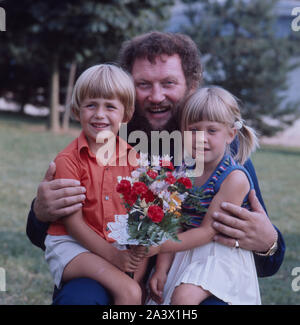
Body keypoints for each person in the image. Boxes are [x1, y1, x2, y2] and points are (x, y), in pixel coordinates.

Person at [26, 31, 285, 305]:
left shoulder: (218, 150)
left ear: (191, 85)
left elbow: (267, 262)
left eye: (169, 83)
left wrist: (269, 243)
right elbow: (46, 236)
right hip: (107, 265)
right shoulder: (107, 135)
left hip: (187, 276)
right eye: (144, 84)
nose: (156, 96)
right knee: (81, 299)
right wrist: (40, 213)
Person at [43, 63, 147, 305]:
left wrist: (132, 258)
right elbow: (74, 224)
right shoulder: (68, 160)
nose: (99, 114)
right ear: (77, 111)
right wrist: (115, 257)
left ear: (126, 115)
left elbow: (140, 217)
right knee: (129, 292)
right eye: (91, 105)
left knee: (133, 289)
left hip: (115, 243)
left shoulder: (135, 160)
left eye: (110, 106)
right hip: (71, 245)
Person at [147, 86, 261, 305]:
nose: (201, 138)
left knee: (183, 298)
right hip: (186, 249)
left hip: (221, 254)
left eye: (211, 130)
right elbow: (174, 221)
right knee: (161, 299)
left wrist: (160, 246)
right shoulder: (182, 170)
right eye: (193, 130)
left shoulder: (233, 178)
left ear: (230, 134)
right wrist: (161, 268)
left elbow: (209, 231)